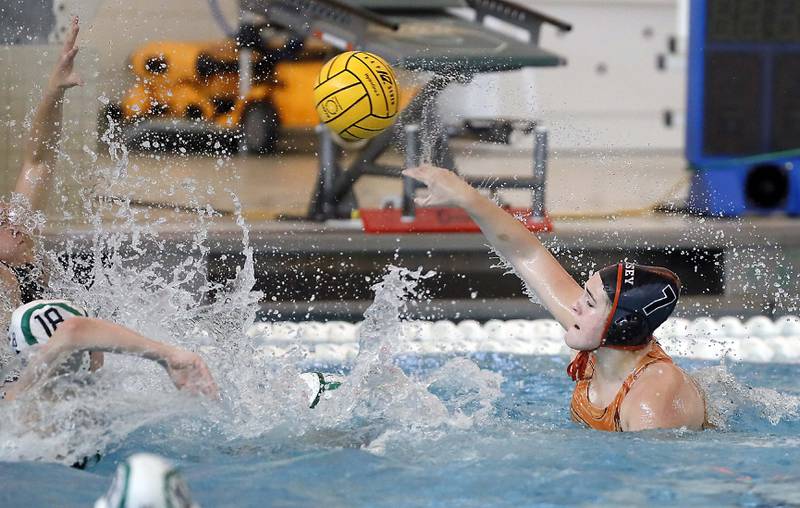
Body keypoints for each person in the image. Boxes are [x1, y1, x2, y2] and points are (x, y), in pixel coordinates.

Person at [0, 18, 218, 402]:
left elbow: (38, 161)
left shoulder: (18, 244)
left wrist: (54, 91)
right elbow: (73, 333)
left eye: (2, 209)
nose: (8, 214)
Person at [402, 165, 707, 432]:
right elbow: (526, 252)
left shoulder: (648, 408)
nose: (575, 305)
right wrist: (466, 197)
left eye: (588, 303)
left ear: (621, 326)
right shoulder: (601, 341)